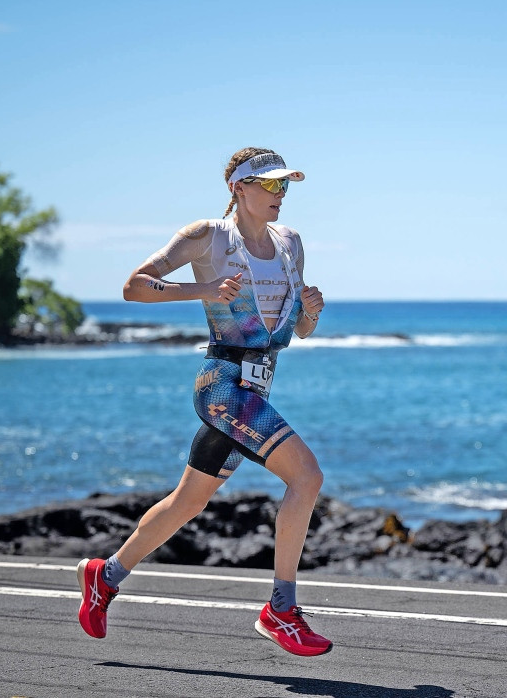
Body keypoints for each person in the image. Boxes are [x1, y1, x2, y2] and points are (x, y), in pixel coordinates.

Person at [76, 148, 331, 656]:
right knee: (307, 477)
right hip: (222, 386)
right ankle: (281, 609)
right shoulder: (209, 237)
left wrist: (311, 314)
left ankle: (105, 576)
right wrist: (204, 289)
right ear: (240, 187)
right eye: (271, 185)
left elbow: (297, 331)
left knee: (188, 502)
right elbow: (134, 288)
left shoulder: (290, 245)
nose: (281, 195)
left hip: (256, 386)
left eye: (286, 186)